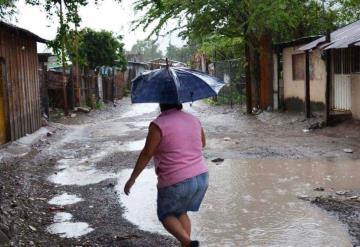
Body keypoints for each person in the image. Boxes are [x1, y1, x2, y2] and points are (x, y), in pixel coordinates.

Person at [124, 103, 209, 247]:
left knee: (166, 214)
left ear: (161, 103)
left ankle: (188, 243)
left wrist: (132, 179)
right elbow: (203, 143)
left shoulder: (158, 124)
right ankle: (186, 244)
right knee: (181, 211)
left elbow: (147, 153)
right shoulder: (194, 119)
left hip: (176, 180)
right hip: (201, 177)